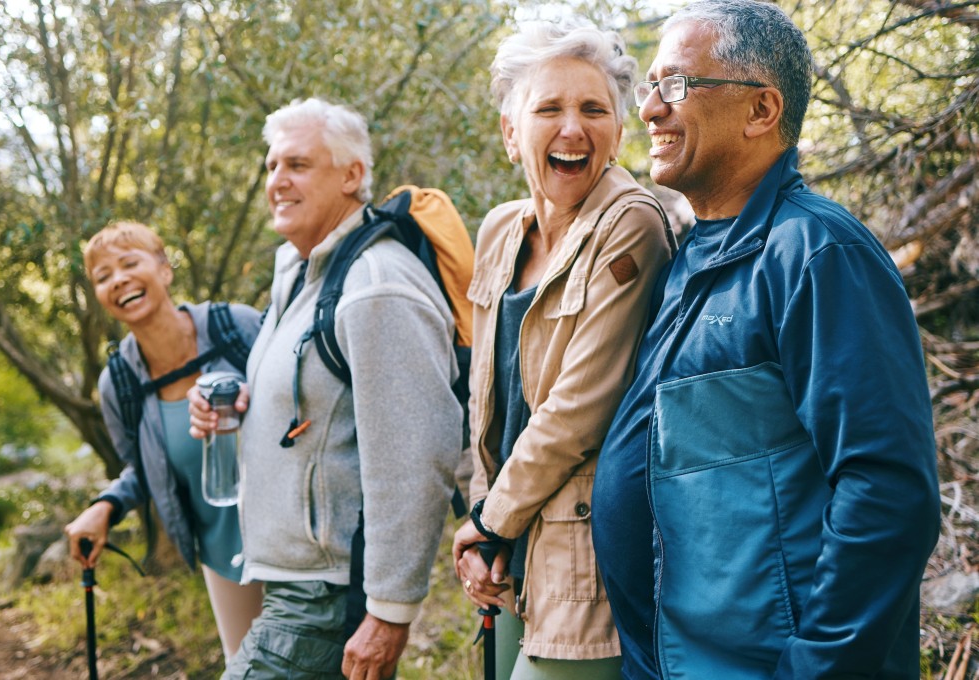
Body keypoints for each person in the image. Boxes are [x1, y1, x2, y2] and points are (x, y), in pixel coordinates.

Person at [591, 1, 942, 678]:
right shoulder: (693, 257)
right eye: (650, 86)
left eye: (677, 85)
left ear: (761, 111)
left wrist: (812, 670)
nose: (650, 110)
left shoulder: (815, 252)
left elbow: (888, 490)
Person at [188, 97, 463, 680]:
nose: (277, 181)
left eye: (297, 165)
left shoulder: (375, 284)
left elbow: (418, 453)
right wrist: (241, 400)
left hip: (325, 595)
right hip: (288, 581)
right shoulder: (301, 270)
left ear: (352, 175)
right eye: (271, 167)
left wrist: (388, 612)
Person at [450, 19, 675, 680]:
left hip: (583, 556)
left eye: (593, 109)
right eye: (548, 108)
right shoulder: (497, 231)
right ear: (510, 132)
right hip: (509, 536)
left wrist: (491, 521)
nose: (573, 129)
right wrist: (482, 519)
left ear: (619, 130)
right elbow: (484, 398)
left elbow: (580, 408)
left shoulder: (631, 224)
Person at [63, 221, 264, 663]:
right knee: (247, 668)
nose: (118, 280)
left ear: (165, 270)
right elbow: (144, 468)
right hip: (222, 554)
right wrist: (106, 505)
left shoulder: (237, 326)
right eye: (103, 276)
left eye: (130, 264)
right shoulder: (119, 382)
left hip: (295, 536)